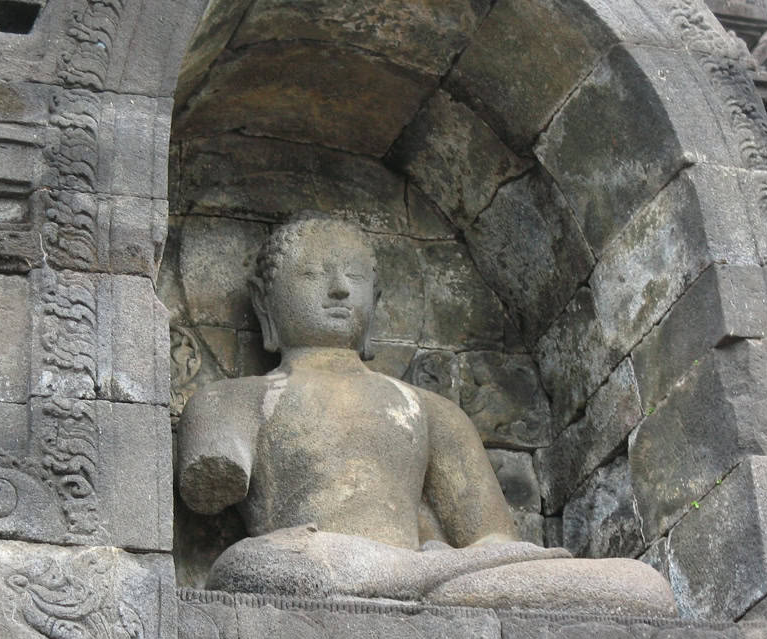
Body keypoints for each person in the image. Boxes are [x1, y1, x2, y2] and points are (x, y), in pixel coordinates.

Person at [176, 215, 676, 615]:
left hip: (412, 574)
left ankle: (418, 584)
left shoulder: (430, 410)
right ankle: (421, 585)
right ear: (265, 303)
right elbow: (208, 482)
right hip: (310, 564)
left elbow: (492, 541)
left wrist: (450, 560)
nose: (337, 290)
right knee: (255, 568)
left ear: (377, 298)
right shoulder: (229, 400)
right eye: (311, 274)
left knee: (643, 586)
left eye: (354, 277)